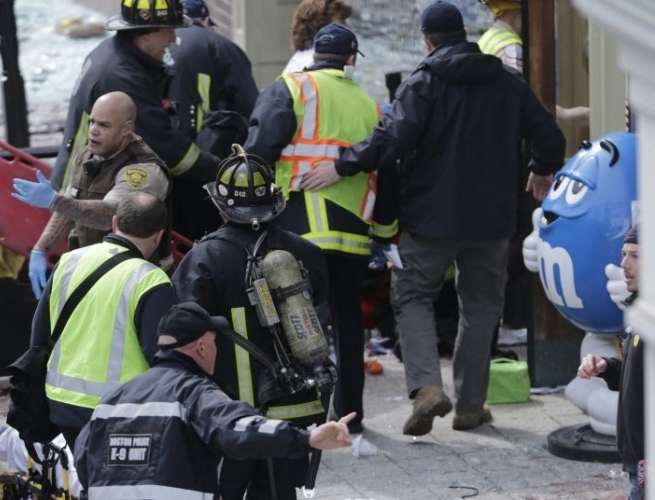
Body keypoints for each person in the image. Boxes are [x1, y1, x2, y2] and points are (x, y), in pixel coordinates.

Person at [327, 1, 566, 436]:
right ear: (464, 35)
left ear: (427, 40)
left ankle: (426, 388)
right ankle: (471, 408)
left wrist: (343, 164)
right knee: (481, 308)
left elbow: (391, 139)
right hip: (492, 222)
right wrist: (541, 167)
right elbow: (549, 133)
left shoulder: (424, 83)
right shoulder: (506, 81)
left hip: (430, 219)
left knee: (413, 297)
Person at [245, 22, 396, 435]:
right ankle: (352, 419)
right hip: (351, 233)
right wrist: (385, 232)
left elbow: (258, 152)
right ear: (351, 59)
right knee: (348, 328)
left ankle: (298, 414)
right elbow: (385, 170)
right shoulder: (369, 104)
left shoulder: (290, 88)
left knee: (295, 321)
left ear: (314, 55)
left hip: (298, 226)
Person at [171, 148, 330, 500]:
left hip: (229, 417)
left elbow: (185, 330)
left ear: (220, 206)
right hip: (295, 409)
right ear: (276, 202)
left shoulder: (203, 259)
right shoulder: (304, 253)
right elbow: (317, 301)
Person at [75, 301, 356, 497]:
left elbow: (83, 458)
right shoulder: (193, 393)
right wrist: (305, 438)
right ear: (200, 347)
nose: (215, 349)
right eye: (213, 341)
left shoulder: (112, 400)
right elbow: (239, 429)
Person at [50, 0, 221, 242]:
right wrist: (221, 169)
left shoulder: (113, 54)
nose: (173, 39)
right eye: (169, 30)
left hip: (89, 186)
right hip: (93, 196)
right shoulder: (123, 77)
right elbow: (169, 152)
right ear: (146, 34)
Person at [29, 191, 177, 451]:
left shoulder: (69, 261)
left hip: (61, 402)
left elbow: (39, 332)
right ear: (159, 236)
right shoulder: (152, 280)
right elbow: (160, 357)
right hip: (118, 410)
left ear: (115, 223)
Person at [11, 91, 171, 298]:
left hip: (135, 282)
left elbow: (110, 216)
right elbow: (71, 204)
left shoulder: (142, 170)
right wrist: (41, 249)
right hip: (93, 274)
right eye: (92, 122)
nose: (93, 131)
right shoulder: (88, 155)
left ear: (126, 129)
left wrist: (54, 200)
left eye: (104, 125)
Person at [165, 0, 259, 239]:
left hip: (158, 165)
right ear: (205, 20)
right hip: (204, 167)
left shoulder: (149, 44)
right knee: (205, 239)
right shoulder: (221, 47)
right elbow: (249, 110)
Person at [578, 225, 644, 500]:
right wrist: (607, 367)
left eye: (635, 256)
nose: (623, 264)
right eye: (623, 254)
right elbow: (639, 380)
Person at [477, 0, 589, 125]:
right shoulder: (510, 48)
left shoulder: (488, 38)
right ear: (521, 13)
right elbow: (521, 102)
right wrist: (575, 114)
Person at [282, 0, 354, 74]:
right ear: (318, 26)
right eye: (341, 22)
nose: (347, 27)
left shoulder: (301, 59)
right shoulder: (317, 63)